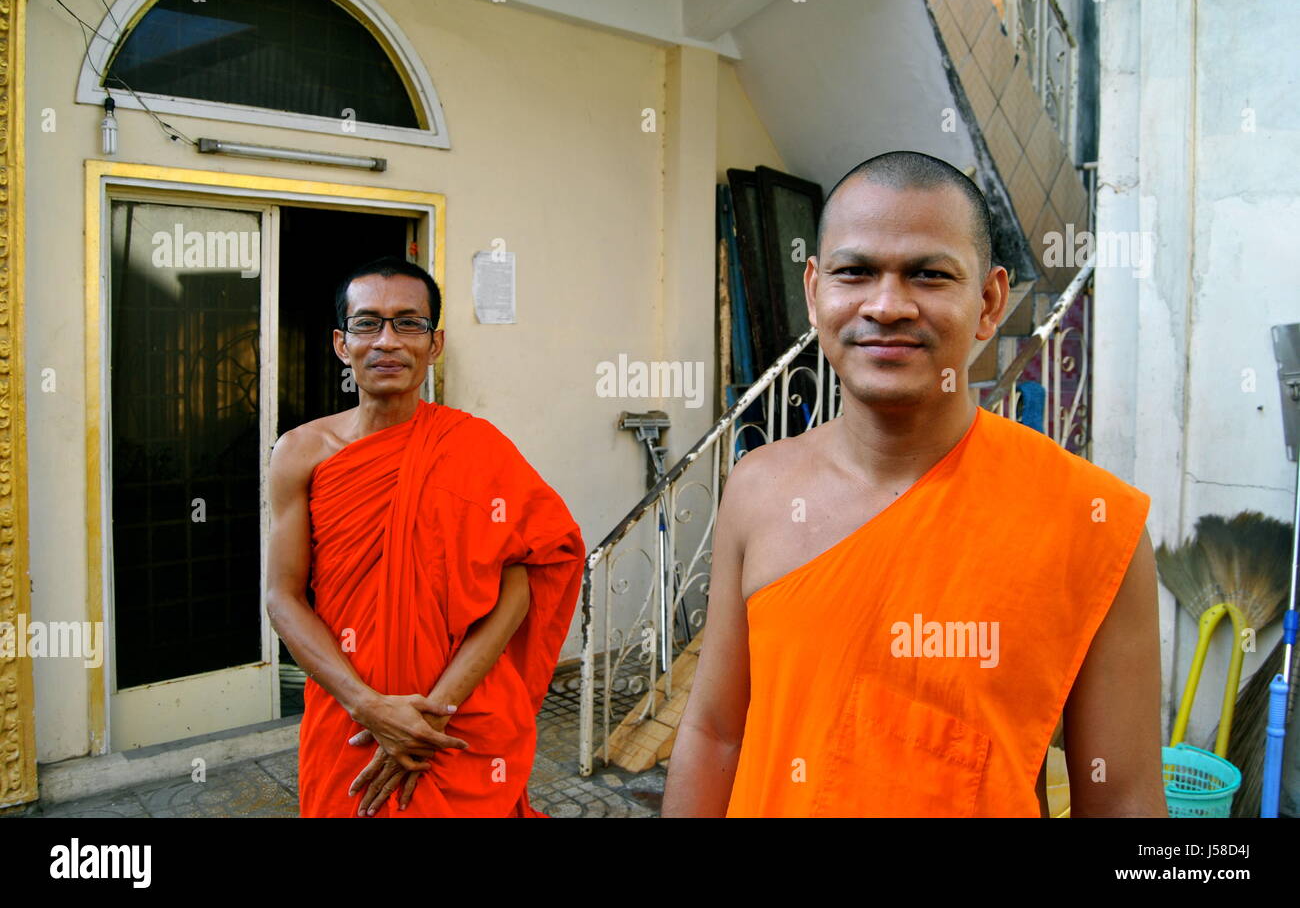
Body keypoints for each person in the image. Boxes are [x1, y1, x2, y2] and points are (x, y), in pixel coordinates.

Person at [662, 151, 1167, 817]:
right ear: (815, 293)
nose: (888, 305)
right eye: (855, 272)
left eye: (929, 275)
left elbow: (1124, 799)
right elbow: (716, 733)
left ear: (987, 302)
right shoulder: (759, 489)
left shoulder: (1091, 521)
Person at [267, 255, 584, 817]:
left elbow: (521, 583)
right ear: (342, 344)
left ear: (434, 344)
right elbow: (283, 596)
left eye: (407, 323)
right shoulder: (300, 453)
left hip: (456, 724)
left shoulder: (476, 448)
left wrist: (435, 711)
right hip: (348, 720)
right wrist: (368, 707)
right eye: (368, 323)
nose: (387, 341)